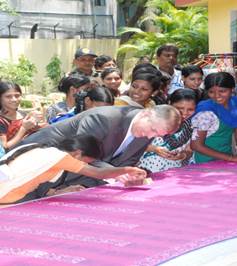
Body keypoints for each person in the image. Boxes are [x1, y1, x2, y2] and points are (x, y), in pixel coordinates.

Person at [16, 105, 181, 176]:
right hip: (35, 160)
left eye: (157, 134)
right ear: (145, 113)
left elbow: (127, 162)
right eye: (152, 129)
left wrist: (129, 173)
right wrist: (117, 173)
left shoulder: (147, 131)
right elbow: (83, 156)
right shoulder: (104, 118)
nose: (151, 136)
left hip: (73, 176)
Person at [0, 135, 147, 204]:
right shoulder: (60, 157)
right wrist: (128, 169)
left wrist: (58, 192)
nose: (84, 165)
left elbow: (34, 181)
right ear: (77, 153)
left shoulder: (40, 148)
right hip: (6, 198)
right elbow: (98, 173)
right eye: (85, 161)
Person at [138, 89, 196, 172]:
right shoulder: (155, 120)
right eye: (180, 108)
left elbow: (189, 150)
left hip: (176, 170)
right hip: (147, 169)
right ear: (169, 103)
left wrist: (182, 155)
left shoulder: (193, 125)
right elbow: (133, 146)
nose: (184, 113)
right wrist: (154, 149)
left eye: (190, 109)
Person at [191, 72, 237, 163]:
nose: (217, 96)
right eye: (211, 92)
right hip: (205, 162)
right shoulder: (206, 113)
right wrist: (231, 158)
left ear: (232, 89)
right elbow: (196, 145)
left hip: (226, 157)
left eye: (222, 91)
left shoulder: (234, 104)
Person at [0, 81, 41, 151]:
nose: (14, 99)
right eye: (8, 96)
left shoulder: (23, 114)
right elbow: (4, 148)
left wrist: (36, 121)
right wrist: (24, 128)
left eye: (17, 95)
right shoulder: (1, 121)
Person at [50, 86, 114, 124]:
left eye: (108, 111)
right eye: (99, 109)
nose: (104, 114)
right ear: (87, 101)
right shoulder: (64, 121)